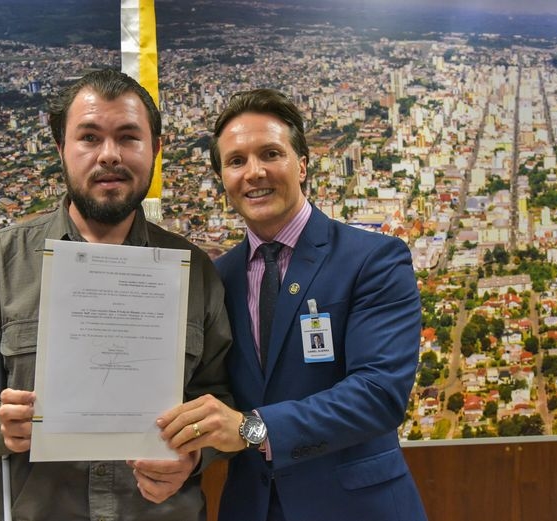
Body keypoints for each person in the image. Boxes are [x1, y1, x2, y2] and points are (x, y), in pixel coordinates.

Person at [0, 68, 234, 521]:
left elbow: (222, 396)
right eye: (89, 137)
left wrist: (195, 454)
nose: (109, 155)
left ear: (155, 150)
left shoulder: (195, 272)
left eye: (128, 137)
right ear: (61, 148)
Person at [157, 88, 427, 521]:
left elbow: (378, 394)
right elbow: (210, 394)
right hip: (253, 508)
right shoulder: (216, 278)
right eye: (236, 161)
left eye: (270, 153)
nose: (254, 172)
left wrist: (252, 428)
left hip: (357, 508)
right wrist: (185, 451)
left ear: (302, 165)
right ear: (222, 178)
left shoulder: (373, 259)